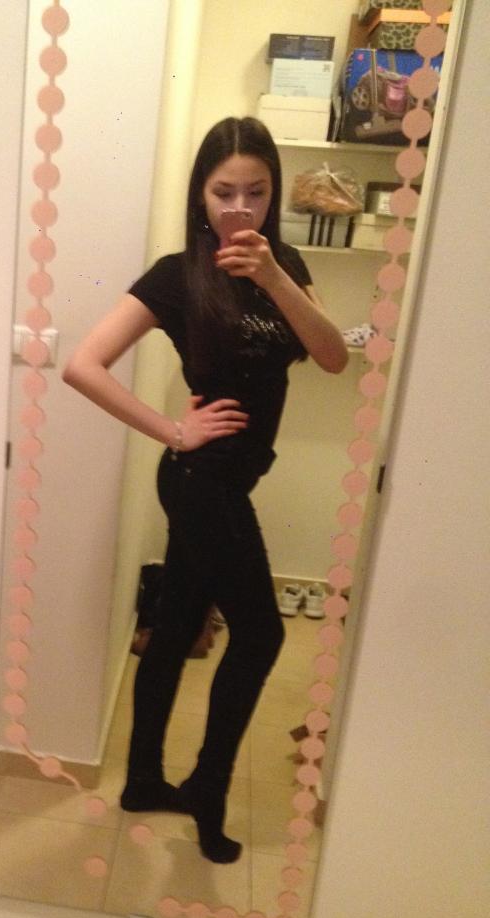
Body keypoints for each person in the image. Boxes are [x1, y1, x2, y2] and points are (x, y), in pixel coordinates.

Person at [62, 117, 348, 863]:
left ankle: (143, 781)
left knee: (177, 624)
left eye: (257, 192)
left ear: (274, 194)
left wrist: (275, 277)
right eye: (224, 193)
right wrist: (171, 429)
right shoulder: (175, 274)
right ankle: (208, 788)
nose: (239, 209)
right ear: (200, 194)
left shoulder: (284, 264)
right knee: (263, 634)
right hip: (198, 480)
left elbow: (331, 357)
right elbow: (82, 364)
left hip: (229, 479)